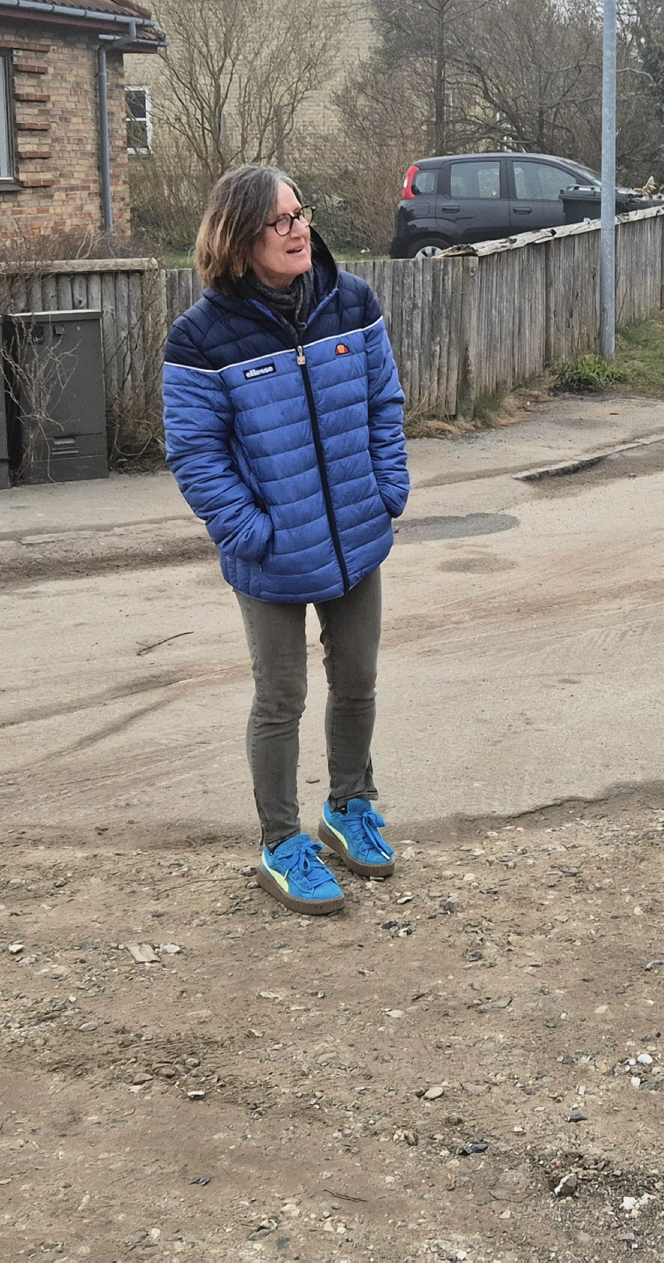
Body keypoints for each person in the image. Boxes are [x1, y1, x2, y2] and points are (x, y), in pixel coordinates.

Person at [161, 165, 410, 915]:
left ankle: (349, 806)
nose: (300, 229)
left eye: (302, 213)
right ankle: (280, 843)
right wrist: (250, 531)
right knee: (282, 697)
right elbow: (196, 455)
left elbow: (383, 405)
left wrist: (386, 491)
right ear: (239, 237)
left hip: (356, 538)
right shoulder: (199, 339)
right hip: (269, 554)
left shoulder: (353, 303)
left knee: (358, 680)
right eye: (280, 221)